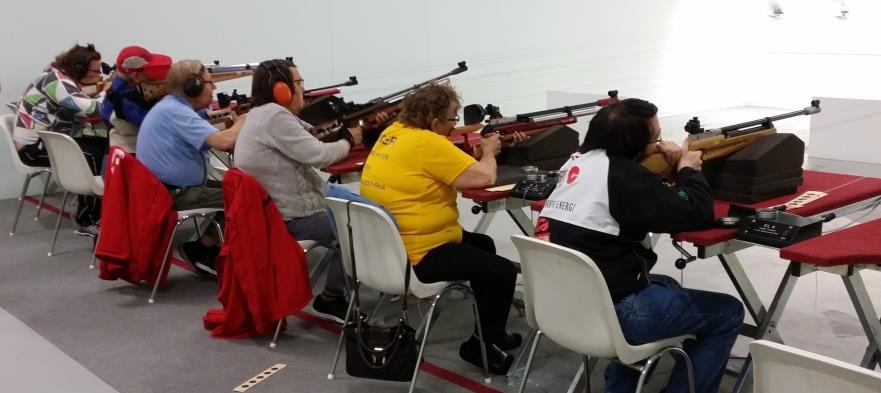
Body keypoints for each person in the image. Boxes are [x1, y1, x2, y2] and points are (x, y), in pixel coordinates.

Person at [534, 98, 745, 393]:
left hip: (560, 304)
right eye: (656, 138)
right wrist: (688, 170)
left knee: (668, 284)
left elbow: (632, 199)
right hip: (612, 313)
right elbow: (696, 212)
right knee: (728, 312)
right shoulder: (624, 176)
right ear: (633, 143)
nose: (660, 144)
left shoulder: (575, 164)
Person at [359, 84, 523, 375]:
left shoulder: (393, 132)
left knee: (483, 244)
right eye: (451, 119)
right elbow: (485, 176)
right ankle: (479, 346)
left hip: (390, 248)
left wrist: (480, 151)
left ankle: (491, 333)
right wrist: (489, 152)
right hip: (421, 254)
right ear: (434, 122)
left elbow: (433, 166)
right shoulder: (428, 143)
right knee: (503, 271)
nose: (454, 126)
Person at [234, 58, 386, 323]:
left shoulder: (262, 114)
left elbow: (312, 138)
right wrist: (349, 139)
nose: (303, 88)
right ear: (281, 89)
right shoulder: (275, 116)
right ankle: (332, 296)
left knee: (370, 209)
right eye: (299, 83)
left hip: (280, 211)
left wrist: (362, 127)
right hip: (291, 218)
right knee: (360, 223)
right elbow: (319, 155)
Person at [137, 59, 246, 275]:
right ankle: (202, 250)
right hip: (175, 193)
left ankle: (207, 247)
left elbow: (203, 127)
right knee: (245, 195)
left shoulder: (171, 107)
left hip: (165, 188)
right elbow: (224, 142)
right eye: (209, 83)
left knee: (238, 186)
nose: (214, 87)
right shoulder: (176, 111)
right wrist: (244, 120)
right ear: (192, 87)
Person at [14, 43, 109, 236]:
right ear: (80, 68)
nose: (99, 74)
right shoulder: (58, 84)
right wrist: (108, 90)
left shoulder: (51, 75)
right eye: (96, 71)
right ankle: (89, 218)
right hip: (32, 151)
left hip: (37, 143)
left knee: (96, 144)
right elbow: (95, 109)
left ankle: (89, 202)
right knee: (92, 154)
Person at [101, 46, 172, 152]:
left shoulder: (119, 87)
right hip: (127, 160)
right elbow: (159, 125)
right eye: (148, 72)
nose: (151, 77)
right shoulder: (125, 97)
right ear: (135, 76)